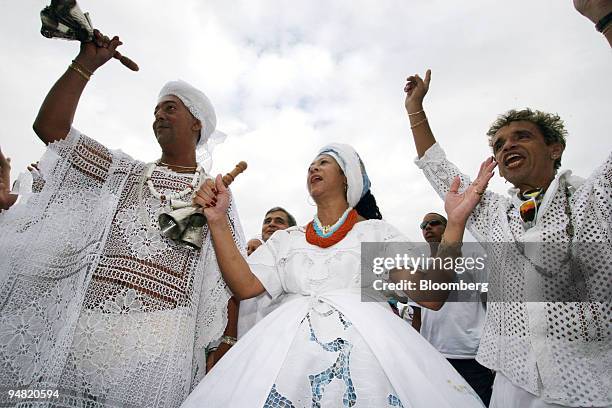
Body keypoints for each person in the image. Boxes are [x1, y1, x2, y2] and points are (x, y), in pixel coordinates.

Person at [0, 30, 243, 407]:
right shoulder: (123, 172)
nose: (159, 115)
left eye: (171, 108)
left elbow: (228, 275)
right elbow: (51, 130)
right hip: (85, 337)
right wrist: (85, 64)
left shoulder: (216, 194)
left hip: (159, 348)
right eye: (156, 111)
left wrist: (225, 343)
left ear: (198, 124)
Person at [403, 3, 611, 405]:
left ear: (555, 148)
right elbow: (439, 170)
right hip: (511, 383)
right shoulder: (493, 212)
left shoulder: (596, 195)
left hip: (590, 386)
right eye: (499, 145)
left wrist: (605, 19)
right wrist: (415, 110)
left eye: (522, 136)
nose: (507, 145)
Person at [182, 143, 495, 407]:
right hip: (284, 360)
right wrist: (218, 220)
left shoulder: (374, 234)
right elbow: (245, 285)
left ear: (348, 177)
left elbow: (432, 295)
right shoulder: (287, 239)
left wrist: (455, 224)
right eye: (311, 164)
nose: (313, 168)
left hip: (367, 366)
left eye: (324, 162)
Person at [418, 212, 494, 406]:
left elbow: (491, 304)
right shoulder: (420, 267)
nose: (427, 228)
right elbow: (417, 315)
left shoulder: (473, 260)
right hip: (434, 354)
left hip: (470, 354)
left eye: (434, 223)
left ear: (447, 228)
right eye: (423, 225)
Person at [239, 207, 297, 336]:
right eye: (267, 221)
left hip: (278, 334)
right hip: (244, 335)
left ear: (291, 229)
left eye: (279, 221)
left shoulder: (295, 257)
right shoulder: (249, 259)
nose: (271, 224)